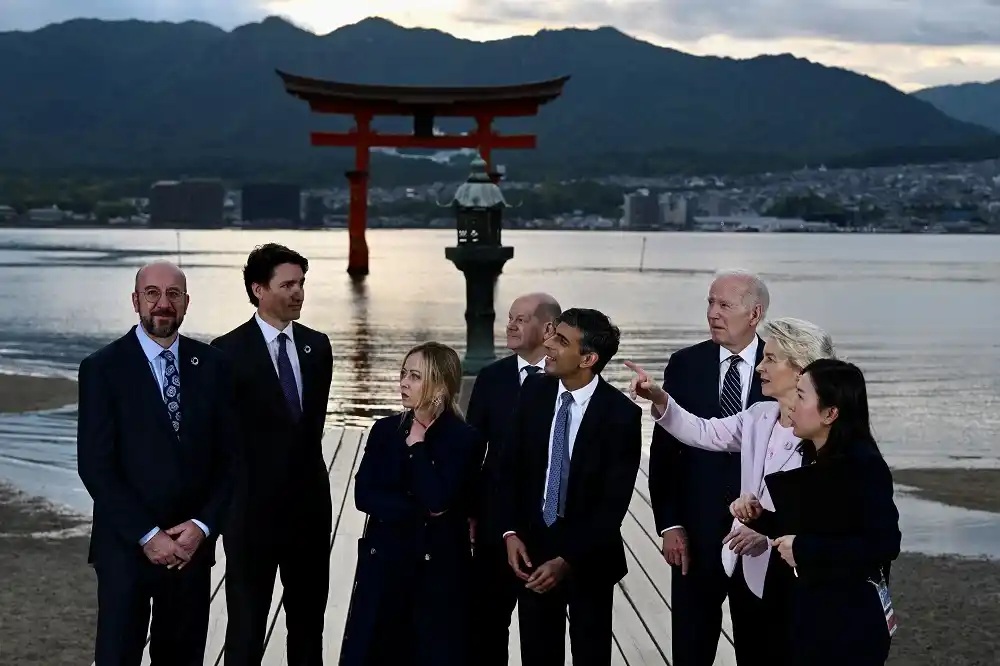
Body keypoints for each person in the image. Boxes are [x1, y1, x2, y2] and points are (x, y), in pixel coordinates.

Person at [627, 317, 836, 666]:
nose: (759, 367)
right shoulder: (759, 415)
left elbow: (826, 515)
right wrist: (660, 398)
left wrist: (766, 534)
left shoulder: (827, 431)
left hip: (798, 577)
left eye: (770, 359)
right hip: (749, 570)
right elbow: (702, 432)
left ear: (801, 370)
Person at [77, 260, 238, 666]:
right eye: (152, 293)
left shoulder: (215, 366)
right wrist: (148, 535)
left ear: (186, 303)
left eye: (173, 295)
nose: (162, 304)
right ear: (135, 301)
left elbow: (231, 460)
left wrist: (202, 527)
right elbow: (95, 465)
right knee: (118, 657)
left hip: (190, 550)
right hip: (125, 548)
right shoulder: (101, 368)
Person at [211, 244, 334, 666]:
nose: (298, 293)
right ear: (258, 289)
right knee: (246, 628)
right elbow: (221, 441)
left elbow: (310, 431)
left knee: (307, 625)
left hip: (310, 512)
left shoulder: (317, 347)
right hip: (251, 516)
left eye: (301, 283)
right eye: (288, 284)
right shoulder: (224, 352)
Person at [733, 359, 901, 665]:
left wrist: (803, 549)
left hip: (848, 625)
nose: (792, 405)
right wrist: (759, 517)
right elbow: (815, 523)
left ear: (830, 413)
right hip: (811, 615)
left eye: (801, 396)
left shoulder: (865, 466)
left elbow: (884, 544)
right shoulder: (814, 456)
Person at [498, 308, 641, 666]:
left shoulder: (621, 415)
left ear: (588, 359)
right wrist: (511, 532)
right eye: (552, 334)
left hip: (589, 557)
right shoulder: (534, 389)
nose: (547, 343)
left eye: (560, 340)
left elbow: (613, 505)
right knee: (537, 654)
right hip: (533, 548)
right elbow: (509, 467)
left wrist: (569, 560)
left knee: (590, 654)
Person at [646, 268, 772, 666]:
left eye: (724, 305)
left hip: (760, 535)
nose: (713, 313)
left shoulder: (781, 368)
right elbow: (664, 454)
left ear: (754, 314)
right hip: (695, 535)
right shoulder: (685, 364)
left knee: (761, 644)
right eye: (710, 303)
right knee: (691, 646)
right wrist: (669, 525)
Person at [339, 342, 485, 666]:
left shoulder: (465, 439)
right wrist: (421, 512)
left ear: (440, 384)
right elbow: (364, 496)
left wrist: (417, 448)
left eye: (415, 376)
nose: (403, 382)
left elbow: (439, 499)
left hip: (437, 573)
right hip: (384, 566)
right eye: (403, 373)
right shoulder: (384, 430)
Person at [465, 292, 561, 665]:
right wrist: (472, 512)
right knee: (487, 627)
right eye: (510, 318)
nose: (510, 325)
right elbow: (474, 452)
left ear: (548, 328)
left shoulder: (566, 381)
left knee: (543, 633)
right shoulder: (492, 378)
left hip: (545, 525)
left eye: (521, 319)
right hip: (493, 523)